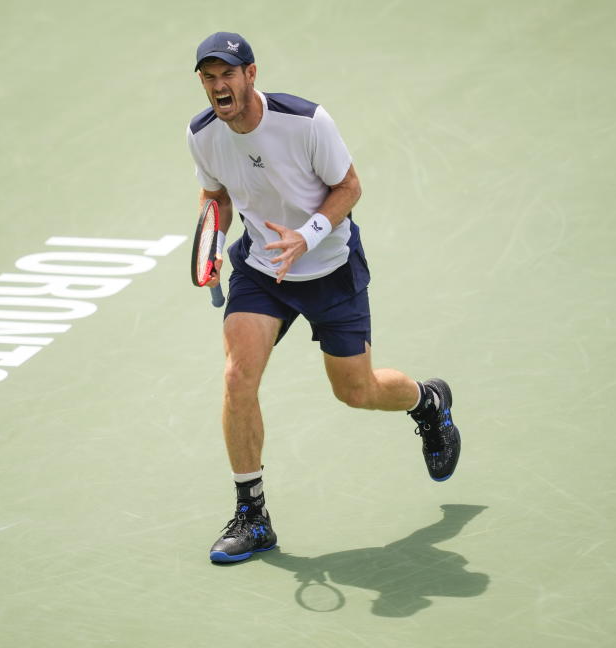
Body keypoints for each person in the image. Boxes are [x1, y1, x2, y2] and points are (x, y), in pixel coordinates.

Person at [186, 32, 461, 564]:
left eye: (228, 75)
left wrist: (306, 236)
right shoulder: (202, 134)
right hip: (263, 269)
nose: (219, 86)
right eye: (208, 77)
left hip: (329, 267)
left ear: (251, 75)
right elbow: (214, 194)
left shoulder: (306, 122)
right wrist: (214, 239)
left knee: (356, 391)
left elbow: (350, 186)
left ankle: (428, 403)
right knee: (237, 376)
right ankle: (253, 515)